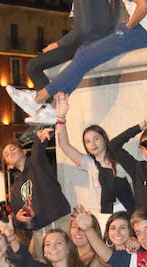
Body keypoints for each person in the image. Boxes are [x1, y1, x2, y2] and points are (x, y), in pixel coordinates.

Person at [8, 0, 113, 109]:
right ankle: (47, 106)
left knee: (34, 66)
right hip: (88, 40)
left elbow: (83, 28)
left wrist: (58, 44)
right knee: (38, 65)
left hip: (87, 43)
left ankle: (47, 107)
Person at [52, 93, 134, 229]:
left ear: (104, 139)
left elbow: (133, 189)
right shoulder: (89, 163)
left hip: (124, 211)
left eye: (96, 138)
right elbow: (64, 145)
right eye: (88, 141)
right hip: (102, 214)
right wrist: (61, 117)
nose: (93, 144)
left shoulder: (120, 161)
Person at [2, 131, 71, 258]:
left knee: (68, 258)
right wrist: (20, 218)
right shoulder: (15, 189)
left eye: (13, 149)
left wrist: (40, 139)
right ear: (10, 165)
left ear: (23, 152)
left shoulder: (37, 164)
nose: (10, 152)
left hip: (61, 220)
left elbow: (38, 151)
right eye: (6, 154)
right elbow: (17, 215)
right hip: (40, 231)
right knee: (46, 265)